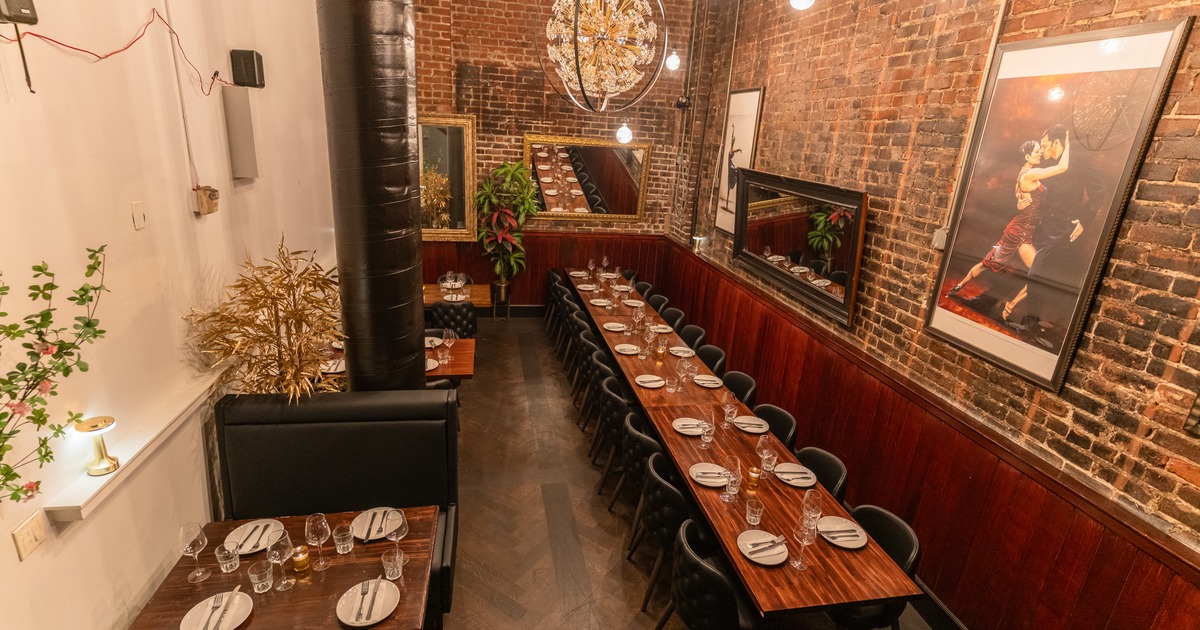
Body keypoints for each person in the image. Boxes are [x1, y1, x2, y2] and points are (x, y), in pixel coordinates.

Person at [948, 136, 1070, 320]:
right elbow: (1062, 168)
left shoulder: (1025, 172)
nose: (1041, 154)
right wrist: (1068, 142)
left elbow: (1021, 199)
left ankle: (959, 287)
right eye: (1037, 152)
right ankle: (1008, 308)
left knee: (988, 263)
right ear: (1028, 156)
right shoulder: (1029, 174)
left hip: (1022, 228)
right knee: (1036, 273)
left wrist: (1022, 202)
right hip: (1020, 232)